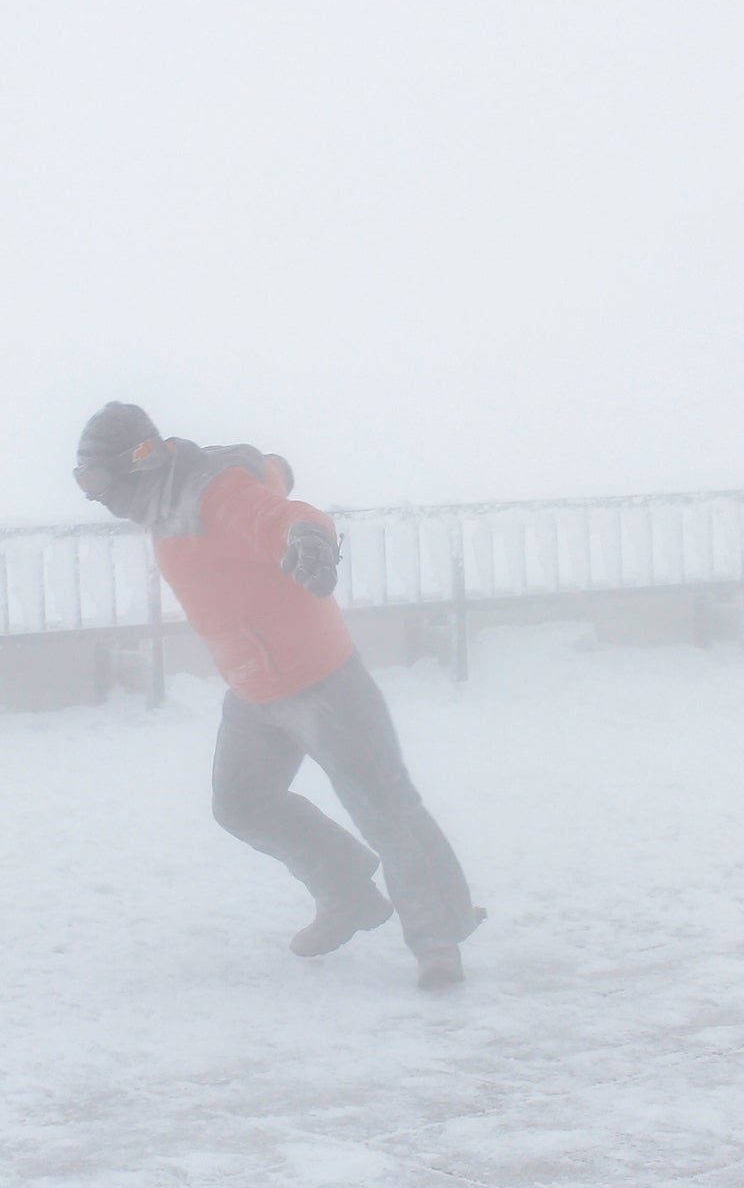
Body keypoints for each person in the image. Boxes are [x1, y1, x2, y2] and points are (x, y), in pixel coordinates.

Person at [73, 401, 484, 990]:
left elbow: (288, 513)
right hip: (252, 689)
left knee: (386, 810)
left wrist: (311, 542)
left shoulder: (214, 493)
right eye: (84, 482)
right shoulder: (159, 501)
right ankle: (348, 894)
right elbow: (272, 475)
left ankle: (439, 939)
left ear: (138, 464)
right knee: (241, 803)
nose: (95, 497)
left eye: (98, 480)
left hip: (323, 682)